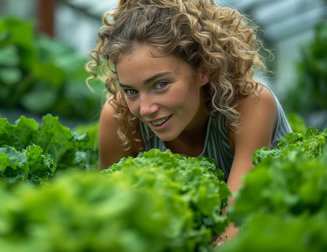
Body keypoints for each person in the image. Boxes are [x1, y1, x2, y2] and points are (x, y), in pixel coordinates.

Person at [86, 0, 293, 245]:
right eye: (131, 91)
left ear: (203, 70)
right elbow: (109, 225)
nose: (145, 108)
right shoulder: (119, 117)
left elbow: (235, 230)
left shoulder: (249, 105)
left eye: (160, 84)